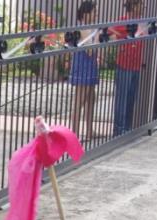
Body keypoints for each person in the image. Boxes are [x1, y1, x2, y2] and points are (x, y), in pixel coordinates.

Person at [110, 0, 146, 136]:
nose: (143, 7)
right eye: (141, 5)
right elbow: (110, 33)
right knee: (122, 99)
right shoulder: (123, 21)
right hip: (124, 65)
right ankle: (118, 130)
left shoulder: (141, 21)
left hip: (136, 66)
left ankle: (127, 127)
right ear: (134, 6)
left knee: (131, 98)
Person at [69, 1, 100, 141]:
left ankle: (89, 131)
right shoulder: (83, 28)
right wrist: (98, 38)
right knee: (80, 100)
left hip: (90, 66)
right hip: (83, 66)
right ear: (86, 14)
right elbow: (89, 50)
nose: (96, 14)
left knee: (91, 98)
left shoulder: (89, 27)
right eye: (94, 12)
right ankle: (73, 134)